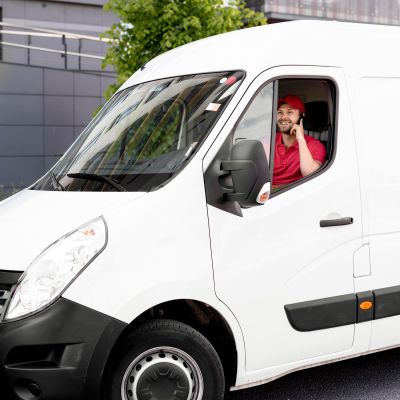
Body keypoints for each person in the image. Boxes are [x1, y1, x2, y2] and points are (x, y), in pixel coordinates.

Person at [273, 95, 326, 188]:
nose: (283, 117)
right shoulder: (267, 142)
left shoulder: (315, 146)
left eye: (290, 112)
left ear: (301, 117)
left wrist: (301, 140)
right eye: (280, 112)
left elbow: (310, 174)